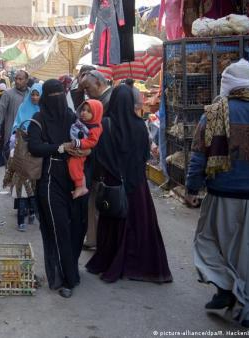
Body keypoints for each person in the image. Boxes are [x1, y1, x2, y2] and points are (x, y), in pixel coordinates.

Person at [185, 60, 249, 328]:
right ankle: (248, 309)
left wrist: (192, 188)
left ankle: (225, 287)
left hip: (222, 195)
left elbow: (198, 155)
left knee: (207, 243)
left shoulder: (214, 112)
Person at [85, 85, 172, 284]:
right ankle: (137, 265)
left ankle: (112, 261)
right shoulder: (140, 125)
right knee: (139, 223)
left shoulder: (106, 124)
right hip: (137, 185)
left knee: (113, 223)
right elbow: (144, 155)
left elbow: (101, 157)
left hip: (114, 184)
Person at [27, 79, 91, 298]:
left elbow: (87, 139)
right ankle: (65, 278)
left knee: (76, 228)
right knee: (59, 228)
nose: (55, 101)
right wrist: (59, 147)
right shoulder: (38, 120)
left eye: (58, 96)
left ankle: (70, 269)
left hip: (75, 180)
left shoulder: (73, 118)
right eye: (51, 96)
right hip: (50, 180)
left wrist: (83, 148)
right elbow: (34, 147)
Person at [81, 69, 113, 249]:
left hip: (101, 159)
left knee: (98, 201)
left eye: (88, 87)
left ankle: (99, 240)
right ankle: (93, 238)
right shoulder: (101, 100)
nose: (86, 91)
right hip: (95, 159)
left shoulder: (108, 101)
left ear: (99, 83)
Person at [5, 83, 43, 232]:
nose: (34, 97)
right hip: (22, 150)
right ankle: (22, 217)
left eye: (37, 94)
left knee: (34, 185)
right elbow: (16, 125)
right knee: (22, 184)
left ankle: (32, 211)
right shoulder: (23, 107)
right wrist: (20, 132)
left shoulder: (44, 110)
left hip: (37, 152)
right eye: (32, 94)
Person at [63, 99, 103, 199]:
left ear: (96, 114)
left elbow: (92, 141)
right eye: (83, 110)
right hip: (78, 148)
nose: (84, 112)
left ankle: (79, 186)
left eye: (89, 111)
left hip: (82, 151)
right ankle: (82, 186)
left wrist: (79, 143)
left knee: (74, 165)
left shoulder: (95, 127)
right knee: (77, 168)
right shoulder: (82, 122)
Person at [0, 70, 30, 161]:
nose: (17, 81)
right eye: (16, 79)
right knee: (11, 160)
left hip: (29, 133)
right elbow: (0, 112)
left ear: (26, 80)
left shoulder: (32, 94)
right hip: (12, 133)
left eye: (20, 79)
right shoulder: (8, 94)